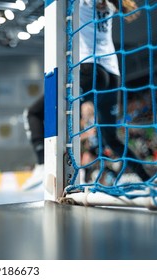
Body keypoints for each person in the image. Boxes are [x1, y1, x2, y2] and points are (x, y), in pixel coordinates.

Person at [22, 0, 151, 189]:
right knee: (111, 139)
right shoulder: (110, 4)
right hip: (112, 74)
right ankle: (147, 178)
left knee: (33, 113)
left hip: (89, 70)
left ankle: (43, 163)